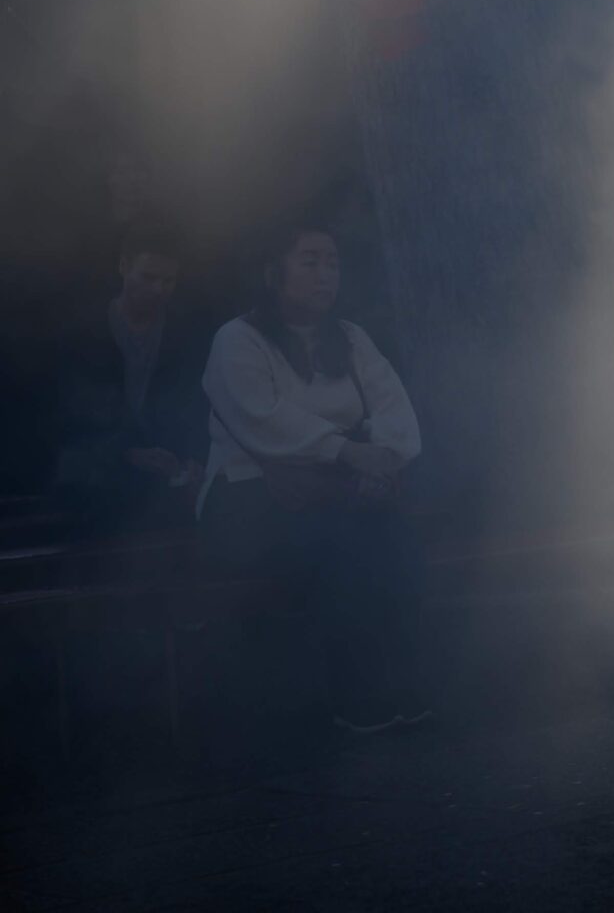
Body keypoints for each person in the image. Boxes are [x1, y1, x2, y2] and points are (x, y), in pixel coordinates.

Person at [199, 224, 429, 732]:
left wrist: (385, 459)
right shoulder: (237, 339)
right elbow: (263, 418)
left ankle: (406, 681)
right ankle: (354, 694)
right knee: (341, 541)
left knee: (395, 538)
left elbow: (392, 403)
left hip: (338, 486)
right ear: (273, 272)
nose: (325, 273)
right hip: (249, 495)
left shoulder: (349, 338)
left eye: (332, 262)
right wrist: (349, 453)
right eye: (309, 261)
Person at [48, 224, 209, 534]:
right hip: (95, 479)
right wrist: (126, 451)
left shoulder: (187, 334)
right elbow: (68, 415)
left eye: (168, 280)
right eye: (148, 277)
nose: (159, 289)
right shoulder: (83, 333)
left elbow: (196, 405)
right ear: (123, 266)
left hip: (167, 477)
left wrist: (191, 459)